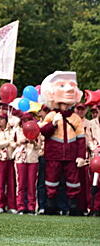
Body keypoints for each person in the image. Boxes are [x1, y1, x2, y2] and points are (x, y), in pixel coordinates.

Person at [39, 71, 85, 216]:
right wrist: (53, 123)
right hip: (54, 154)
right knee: (51, 181)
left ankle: (72, 206)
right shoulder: (52, 115)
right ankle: (50, 206)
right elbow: (44, 132)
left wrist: (80, 156)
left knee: (73, 182)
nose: (65, 106)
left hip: (71, 156)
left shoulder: (76, 118)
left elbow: (81, 139)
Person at [13, 113, 42, 215]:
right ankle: (20, 206)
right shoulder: (17, 130)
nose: (26, 123)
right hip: (20, 159)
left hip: (32, 159)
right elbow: (12, 143)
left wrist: (33, 142)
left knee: (31, 184)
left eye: (28, 121)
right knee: (21, 184)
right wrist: (20, 142)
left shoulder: (36, 131)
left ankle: (31, 207)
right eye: (24, 121)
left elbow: (39, 146)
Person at [0, 114, 16, 214]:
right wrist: (7, 142)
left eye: (2, 119)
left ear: (6, 120)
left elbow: (14, 144)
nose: (0, 121)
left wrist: (9, 142)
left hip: (10, 158)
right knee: (0, 183)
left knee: (11, 183)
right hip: (0, 159)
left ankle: (11, 206)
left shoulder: (11, 130)